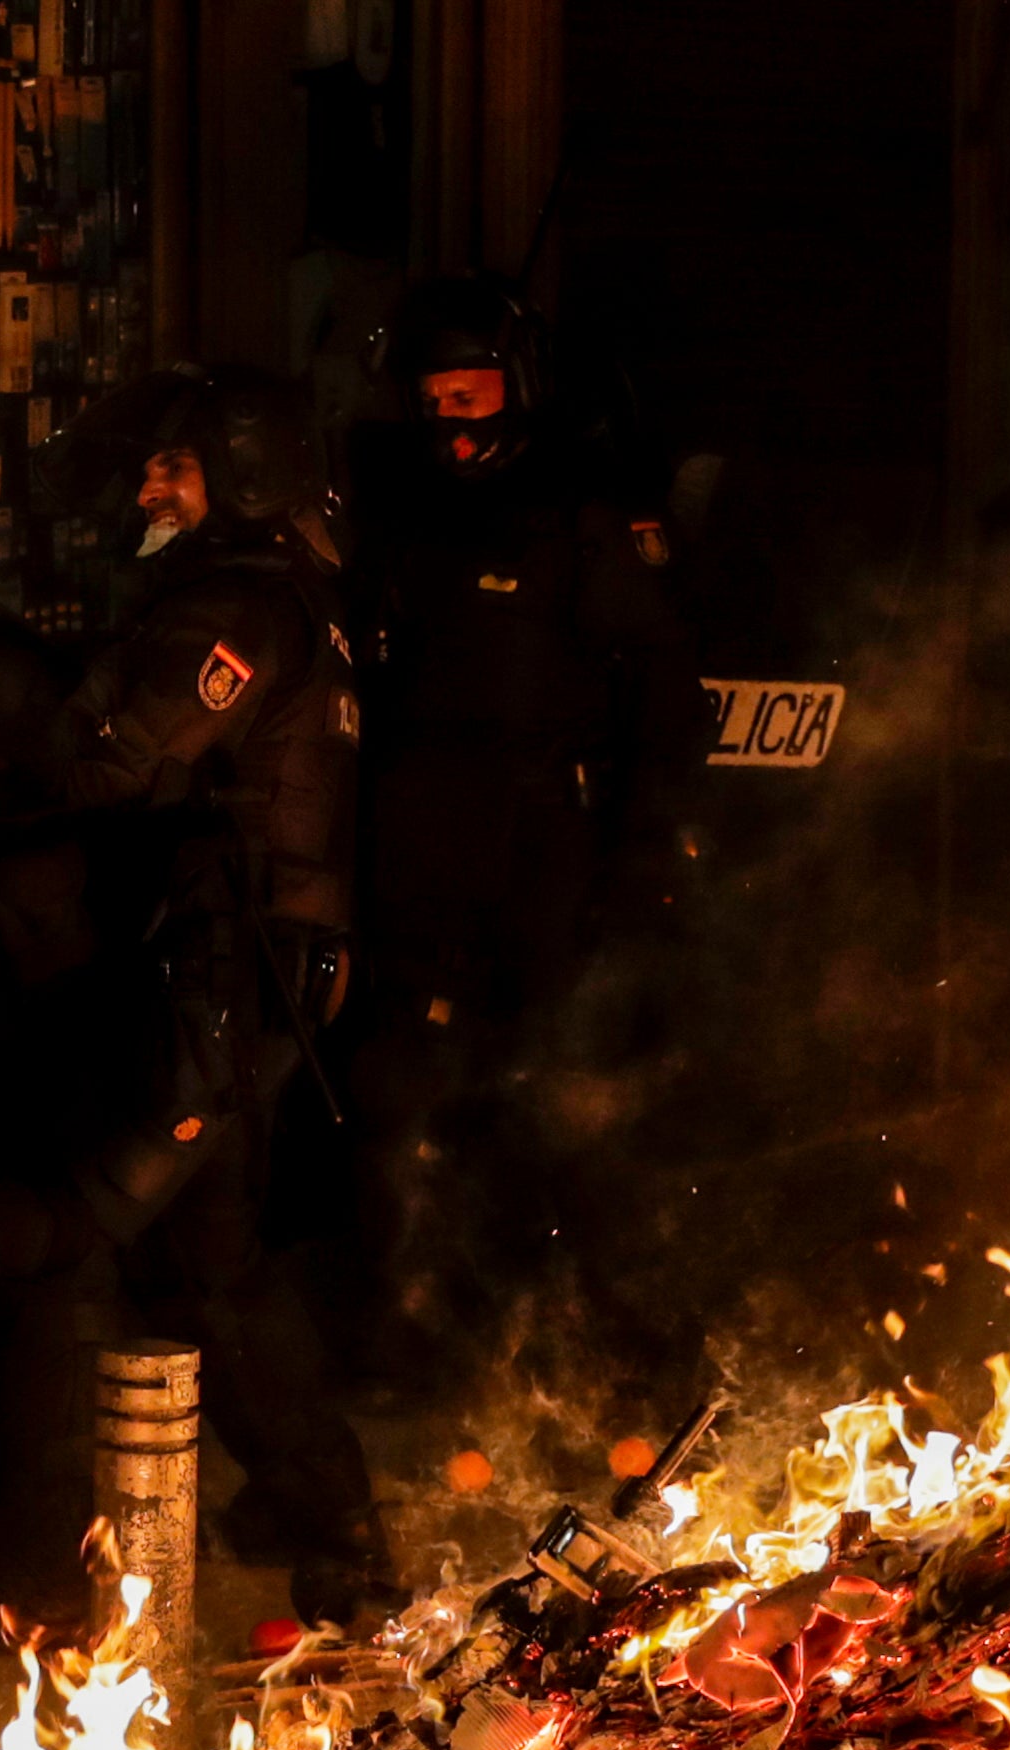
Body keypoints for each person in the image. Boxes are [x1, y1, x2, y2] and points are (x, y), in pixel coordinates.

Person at [0, 363, 402, 1647]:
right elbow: (94, 703)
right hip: (222, 982)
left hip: (217, 992)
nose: (151, 484)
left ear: (248, 478)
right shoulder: (256, 599)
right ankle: (339, 1540)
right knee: (209, 1269)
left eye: (181, 464)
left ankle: (44, 1586)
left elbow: (104, 752)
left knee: (46, 1242)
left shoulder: (240, 609)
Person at [339, 274, 708, 1380]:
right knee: (399, 1107)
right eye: (436, 400)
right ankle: (409, 1334)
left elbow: (664, 694)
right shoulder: (392, 522)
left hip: (548, 860)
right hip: (416, 866)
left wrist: (639, 854)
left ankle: (616, 1336)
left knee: (567, 1101)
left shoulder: (573, 519)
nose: (457, 423)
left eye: (476, 393)